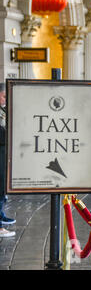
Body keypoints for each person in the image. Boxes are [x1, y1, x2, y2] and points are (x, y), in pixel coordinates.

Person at [0, 83, 15, 238]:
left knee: (2, 189)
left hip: (4, 152)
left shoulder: (3, 110)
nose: (6, 100)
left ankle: (1, 215)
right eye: (4, 96)